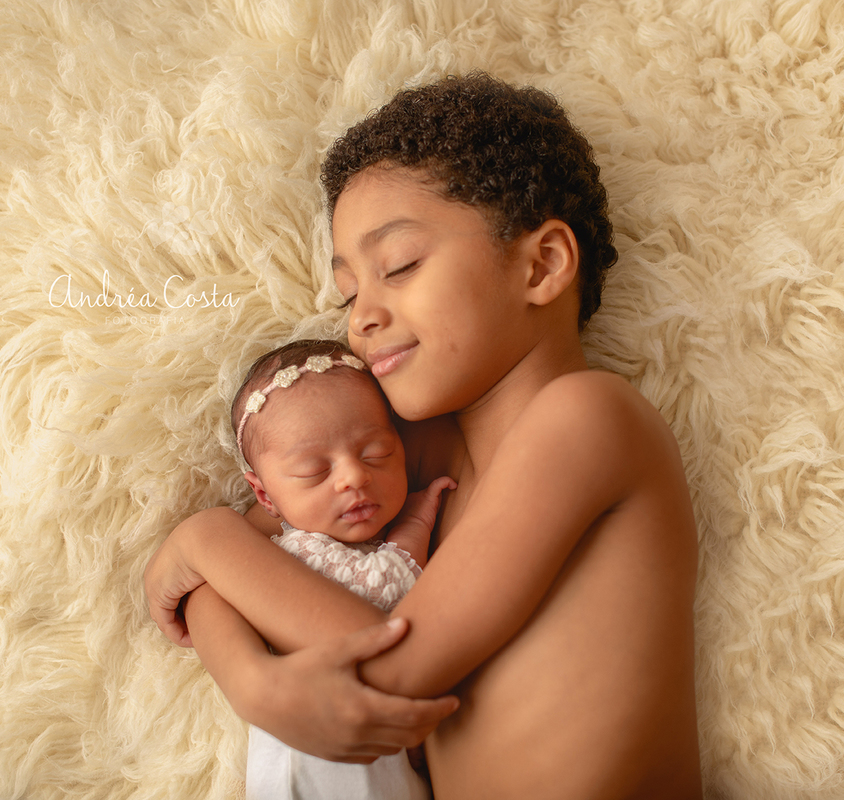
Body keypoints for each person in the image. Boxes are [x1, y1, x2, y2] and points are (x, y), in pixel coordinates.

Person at [145, 72, 703, 799]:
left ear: (542, 265)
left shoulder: (590, 418)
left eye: (400, 266)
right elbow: (266, 546)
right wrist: (241, 653)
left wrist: (202, 550)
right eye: (350, 292)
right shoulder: (396, 457)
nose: (360, 318)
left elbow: (387, 669)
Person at [224, 337, 454, 799]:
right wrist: (414, 525)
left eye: (376, 453)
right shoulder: (288, 554)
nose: (353, 476)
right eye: (313, 471)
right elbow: (383, 595)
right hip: (314, 763)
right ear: (265, 496)